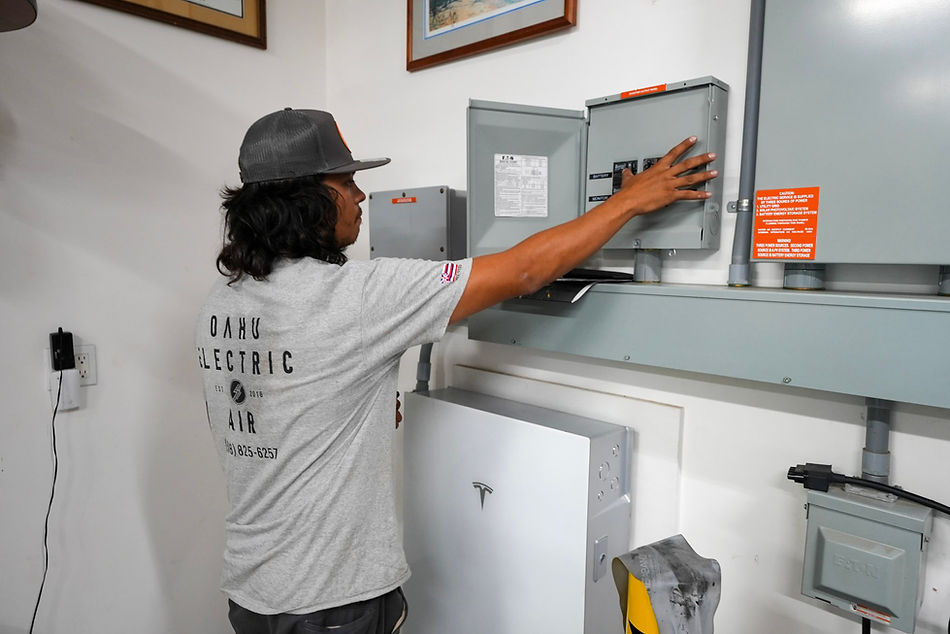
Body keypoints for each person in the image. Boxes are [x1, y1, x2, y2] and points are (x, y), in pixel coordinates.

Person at [195, 107, 717, 634]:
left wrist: (355, 405)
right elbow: (524, 270)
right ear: (306, 199)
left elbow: (271, 401)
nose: (360, 196)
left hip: (252, 590)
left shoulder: (223, 300)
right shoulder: (358, 296)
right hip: (330, 600)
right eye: (346, 182)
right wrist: (628, 201)